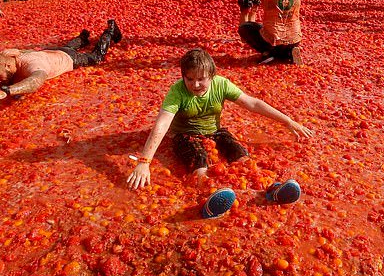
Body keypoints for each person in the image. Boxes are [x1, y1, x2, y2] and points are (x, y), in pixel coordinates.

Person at [125, 48, 313, 191]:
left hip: (215, 132)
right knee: (200, 163)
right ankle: (210, 192)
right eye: (189, 79)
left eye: (201, 79)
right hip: (185, 135)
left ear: (212, 76)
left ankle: (268, 190)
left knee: (241, 156)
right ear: (183, 77)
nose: (195, 85)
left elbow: (253, 104)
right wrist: (144, 162)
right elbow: (162, 123)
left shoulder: (221, 84)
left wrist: (289, 121)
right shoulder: (177, 91)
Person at [0, 19, 123, 105]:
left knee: (96, 57)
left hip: (68, 58)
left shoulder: (32, 65)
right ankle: (83, 37)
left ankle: (109, 32)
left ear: (8, 66)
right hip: (51, 51)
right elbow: (14, 56)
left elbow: (36, 81)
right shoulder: (10, 58)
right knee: (67, 46)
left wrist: (6, 91)